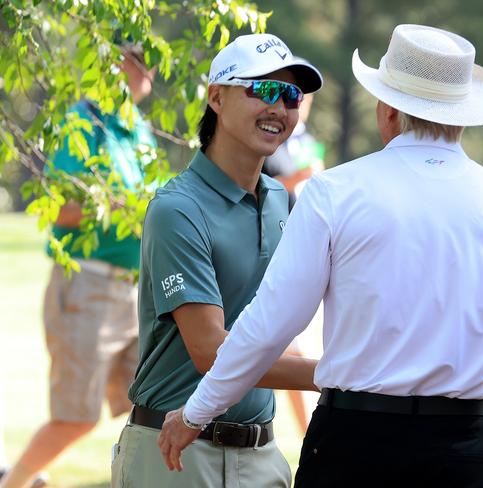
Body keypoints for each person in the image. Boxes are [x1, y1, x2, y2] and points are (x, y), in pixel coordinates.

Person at [158, 24, 483, 487]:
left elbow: (271, 324)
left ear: (386, 110)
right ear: (463, 115)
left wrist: (197, 411)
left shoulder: (335, 192)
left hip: (355, 437)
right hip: (464, 443)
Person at [110, 33, 323, 487]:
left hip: (262, 455)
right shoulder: (177, 208)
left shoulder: (280, 204)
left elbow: (274, 328)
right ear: (216, 98)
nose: (279, 107)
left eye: (290, 95)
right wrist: (334, 375)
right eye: (263, 89)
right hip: (173, 458)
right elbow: (210, 350)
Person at [0, 43, 156, 488]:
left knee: (151, 407)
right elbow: (57, 209)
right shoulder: (81, 122)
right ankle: (14, 482)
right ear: (113, 66)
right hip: (87, 285)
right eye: (140, 59)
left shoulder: (137, 130)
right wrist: (119, 205)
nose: (150, 70)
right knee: (76, 418)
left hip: (134, 290)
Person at [263, 91, 324, 434]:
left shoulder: (309, 142)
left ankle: (308, 435)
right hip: (273, 254)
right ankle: (310, 434)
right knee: (291, 349)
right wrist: (298, 178)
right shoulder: (273, 141)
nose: (303, 107)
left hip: (304, 253)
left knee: (292, 349)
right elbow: (263, 187)